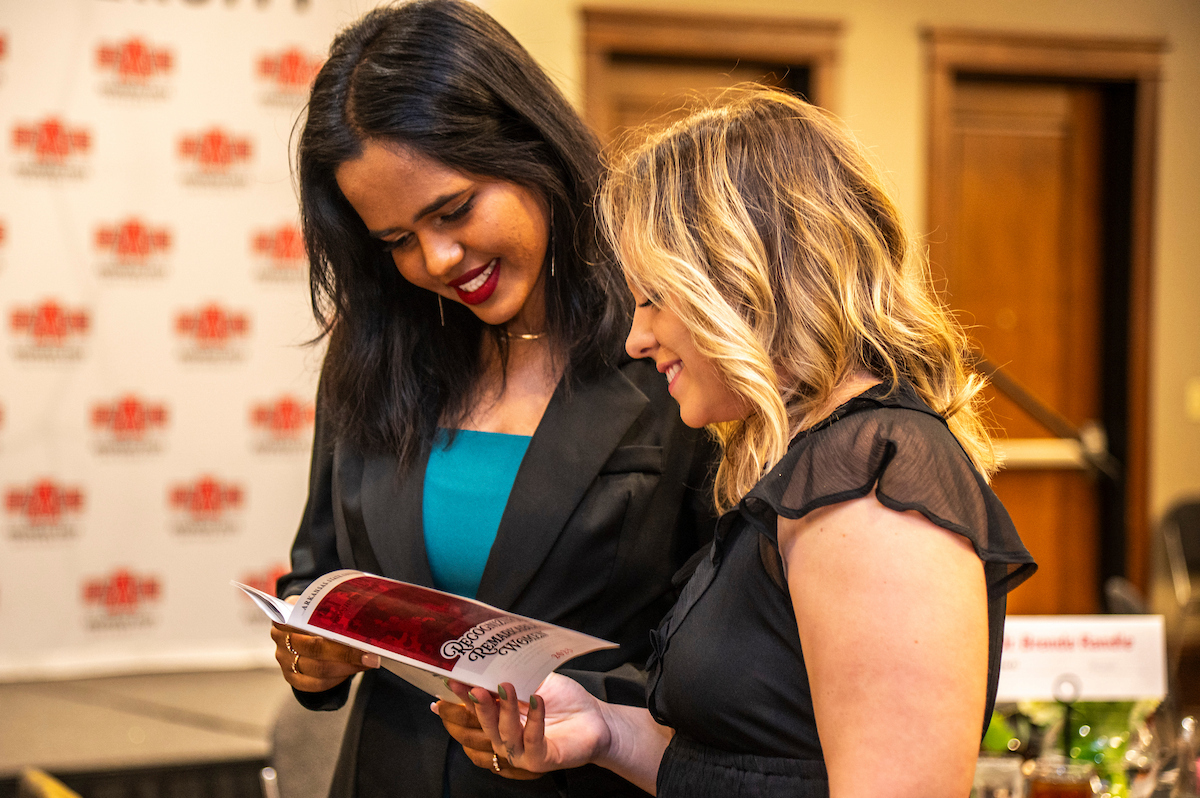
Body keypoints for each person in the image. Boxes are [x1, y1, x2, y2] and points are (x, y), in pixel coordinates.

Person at [449, 86, 1038, 797]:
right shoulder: (809, 463)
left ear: (741, 278)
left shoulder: (874, 479)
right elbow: (752, 768)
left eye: (655, 299)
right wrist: (604, 728)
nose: (637, 339)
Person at [270, 2, 716, 796]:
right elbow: (320, 569)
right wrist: (313, 656)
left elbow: (725, 649)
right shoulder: (377, 349)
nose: (438, 259)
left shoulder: (667, 346)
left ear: (531, 148)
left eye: (452, 211)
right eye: (396, 240)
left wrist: (589, 712)